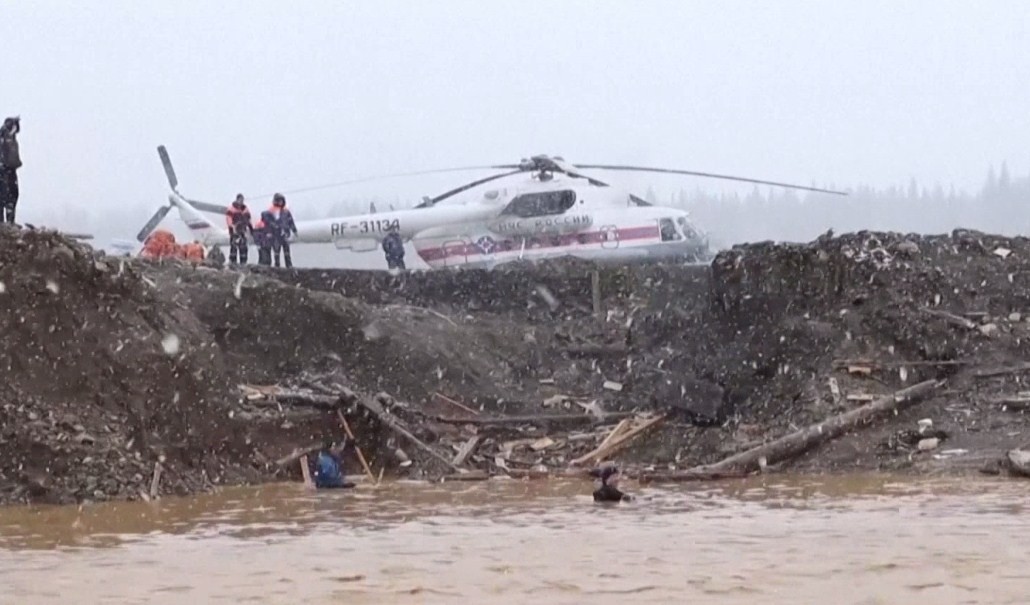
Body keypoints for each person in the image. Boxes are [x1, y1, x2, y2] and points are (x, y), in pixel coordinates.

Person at [0, 116, 22, 225]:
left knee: (11, 196)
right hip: (4, 171)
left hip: (9, 170)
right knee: (7, 197)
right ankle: (6, 223)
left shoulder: (9, 136)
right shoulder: (4, 136)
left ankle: (9, 222)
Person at [268, 193, 298, 268]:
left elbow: (290, 221)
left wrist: (294, 230)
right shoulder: (271, 211)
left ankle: (289, 265)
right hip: (276, 234)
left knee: (287, 251)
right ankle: (277, 265)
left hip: (285, 233)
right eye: (279, 200)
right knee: (276, 251)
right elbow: (268, 222)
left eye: (282, 200)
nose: (280, 202)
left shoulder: (286, 211)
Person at [225, 193, 252, 265]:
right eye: (240, 200)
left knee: (243, 248)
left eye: (242, 200)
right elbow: (229, 219)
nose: (241, 201)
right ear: (237, 200)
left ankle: (243, 263)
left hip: (243, 231)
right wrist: (232, 228)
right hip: (235, 231)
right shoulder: (231, 208)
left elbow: (248, 220)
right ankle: (232, 263)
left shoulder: (245, 209)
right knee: (234, 248)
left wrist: (251, 229)